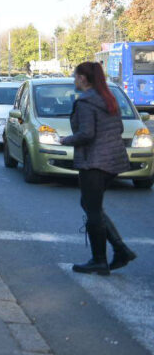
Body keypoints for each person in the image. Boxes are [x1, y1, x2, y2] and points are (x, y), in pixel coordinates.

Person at [58, 61, 137, 275]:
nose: (74, 80)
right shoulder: (108, 99)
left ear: (83, 78)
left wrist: (66, 140)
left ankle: (100, 260)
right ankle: (120, 250)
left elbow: (87, 134)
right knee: (91, 205)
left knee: (92, 209)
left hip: (93, 162)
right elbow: (119, 128)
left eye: (75, 76)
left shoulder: (85, 103)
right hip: (113, 160)